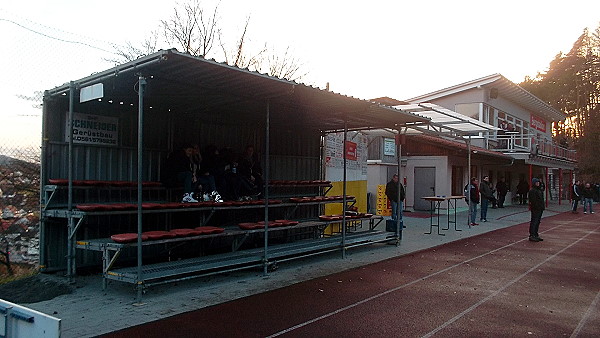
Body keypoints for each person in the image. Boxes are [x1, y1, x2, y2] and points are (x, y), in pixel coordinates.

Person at [528, 178, 545, 242]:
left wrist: (542, 207)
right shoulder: (532, 191)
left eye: (538, 182)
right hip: (535, 209)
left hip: (540, 208)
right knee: (534, 221)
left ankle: (535, 234)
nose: (538, 183)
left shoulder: (539, 190)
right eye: (536, 182)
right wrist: (537, 206)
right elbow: (533, 200)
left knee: (537, 221)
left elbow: (541, 199)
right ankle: (532, 235)